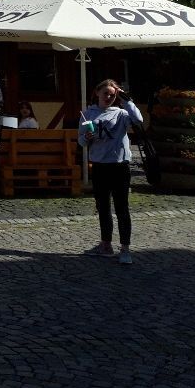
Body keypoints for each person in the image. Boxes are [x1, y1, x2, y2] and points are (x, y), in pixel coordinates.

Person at [79, 79, 142, 265]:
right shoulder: (87, 114)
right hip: (99, 165)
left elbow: (138, 120)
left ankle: (125, 249)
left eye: (112, 95)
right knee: (103, 207)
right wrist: (87, 137)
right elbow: (81, 142)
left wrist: (126, 99)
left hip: (119, 166)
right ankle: (106, 245)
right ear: (97, 92)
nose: (109, 97)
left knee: (122, 208)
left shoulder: (122, 113)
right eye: (105, 93)